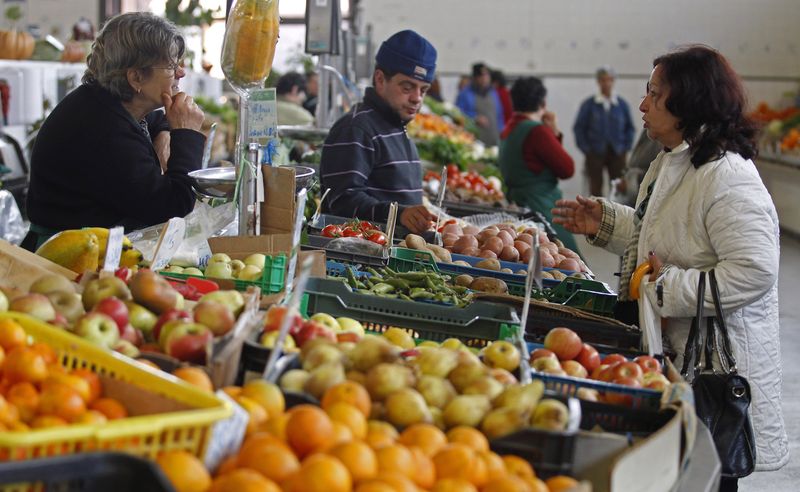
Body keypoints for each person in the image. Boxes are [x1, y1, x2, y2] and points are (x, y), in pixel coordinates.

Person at [553, 45, 788, 489]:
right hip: (680, 357)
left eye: (654, 94)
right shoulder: (673, 162)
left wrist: (666, 288)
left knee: (708, 473)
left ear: (688, 102)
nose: (642, 104)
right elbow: (662, 234)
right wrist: (605, 221)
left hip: (716, 369)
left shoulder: (727, 176)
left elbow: (755, 270)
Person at [22, 12, 204, 251]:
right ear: (136, 77)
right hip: (68, 261)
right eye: (171, 66)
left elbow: (155, 118)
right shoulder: (104, 130)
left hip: (94, 247)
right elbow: (173, 205)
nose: (181, 72)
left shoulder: (111, 101)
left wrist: (165, 134)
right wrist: (186, 133)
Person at [320, 30, 438, 233]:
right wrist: (399, 214)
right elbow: (342, 200)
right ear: (381, 79)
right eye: (407, 87)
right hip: (364, 258)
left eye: (423, 90)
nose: (417, 98)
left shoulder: (394, 125)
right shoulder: (356, 129)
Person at [498, 76, 579, 253]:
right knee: (567, 259)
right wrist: (555, 131)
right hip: (542, 208)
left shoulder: (509, 128)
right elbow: (567, 169)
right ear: (542, 103)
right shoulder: (537, 131)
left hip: (519, 204)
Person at [573, 66, 635, 197]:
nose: (606, 83)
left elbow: (630, 128)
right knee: (595, 187)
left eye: (609, 80)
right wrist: (586, 149)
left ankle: (618, 213)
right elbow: (579, 128)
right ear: (598, 82)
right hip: (595, 152)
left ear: (613, 81)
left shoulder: (621, 104)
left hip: (618, 152)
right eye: (603, 80)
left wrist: (626, 147)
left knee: (619, 186)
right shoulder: (589, 104)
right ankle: (596, 213)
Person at [455, 63, 505, 146]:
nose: (485, 79)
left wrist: (502, 133)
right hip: (474, 142)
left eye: (487, 75)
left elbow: (499, 115)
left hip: (495, 140)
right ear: (475, 78)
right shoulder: (465, 94)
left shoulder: (493, 93)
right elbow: (457, 114)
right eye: (481, 76)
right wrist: (474, 118)